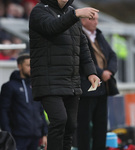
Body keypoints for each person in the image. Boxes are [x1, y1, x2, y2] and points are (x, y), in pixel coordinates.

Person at [29, 0, 100, 150]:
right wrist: (75, 15)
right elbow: (52, 27)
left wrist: (91, 72)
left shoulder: (71, 13)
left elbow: (82, 46)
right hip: (48, 79)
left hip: (71, 80)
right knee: (59, 120)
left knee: (70, 126)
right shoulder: (39, 11)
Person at [76, 12, 118, 150]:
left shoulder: (99, 35)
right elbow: (83, 61)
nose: (96, 22)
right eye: (92, 19)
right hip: (87, 89)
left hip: (102, 88)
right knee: (84, 127)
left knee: (101, 127)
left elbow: (112, 55)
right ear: (83, 21)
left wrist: (109, 72)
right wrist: (101, 73)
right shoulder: (78, 35)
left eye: (97, 19)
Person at [0, 54, 48, 150]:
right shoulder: (9, 86)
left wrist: (44, 133)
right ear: (19, 66)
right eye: (28, 65)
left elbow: (40, 111)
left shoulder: (35, 86)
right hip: (17, 136)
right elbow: (3, 110)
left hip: (35, 135)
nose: (31, 68)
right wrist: (7, 133)